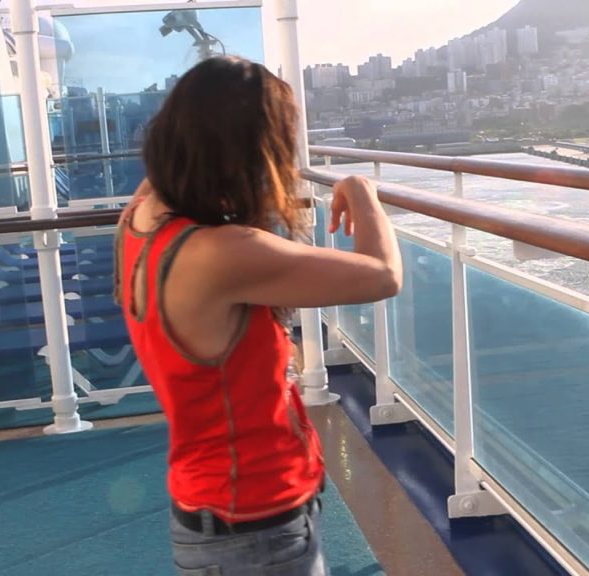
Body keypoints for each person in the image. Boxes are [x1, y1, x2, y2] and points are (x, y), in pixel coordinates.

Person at [114, 56, 402, 575]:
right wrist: (362, 189)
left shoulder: (140, 218)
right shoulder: (219, 254)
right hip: (255, 531)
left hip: (219, 513)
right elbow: (382, 274)